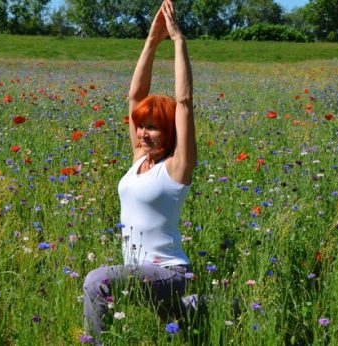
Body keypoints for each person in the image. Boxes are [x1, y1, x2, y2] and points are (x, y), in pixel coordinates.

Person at [82, 0, 197, 342]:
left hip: (168, 272)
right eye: (141, 127)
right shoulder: (138, 161)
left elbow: (186, 103)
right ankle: (198, 306)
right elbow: (134, 99)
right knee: (184, 328)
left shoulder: (177, 168)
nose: (144, 133)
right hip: (143, 275)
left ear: (170, 132)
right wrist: (151, 40)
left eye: (154, 127)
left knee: (95, 281)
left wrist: (177, 41)